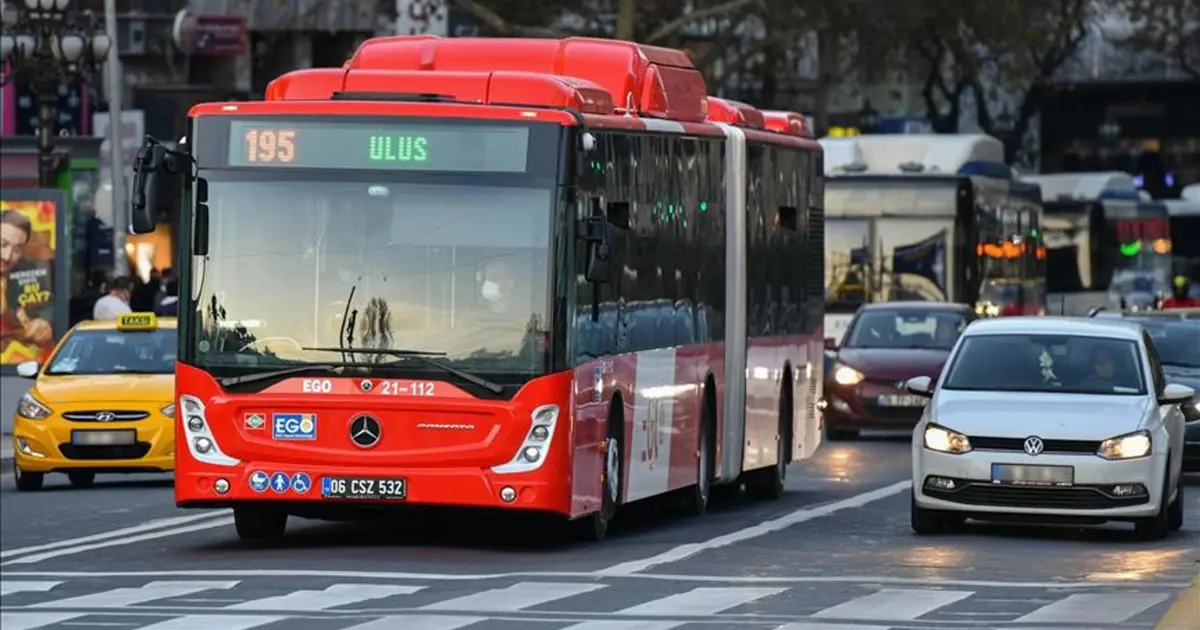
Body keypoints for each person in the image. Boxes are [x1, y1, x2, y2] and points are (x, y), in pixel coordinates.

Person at [1, 209, 53, 349]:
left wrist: (44, 323)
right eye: (2, 244)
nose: (7, 256)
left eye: (17, 249)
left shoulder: (27, 272)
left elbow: (47, 305)